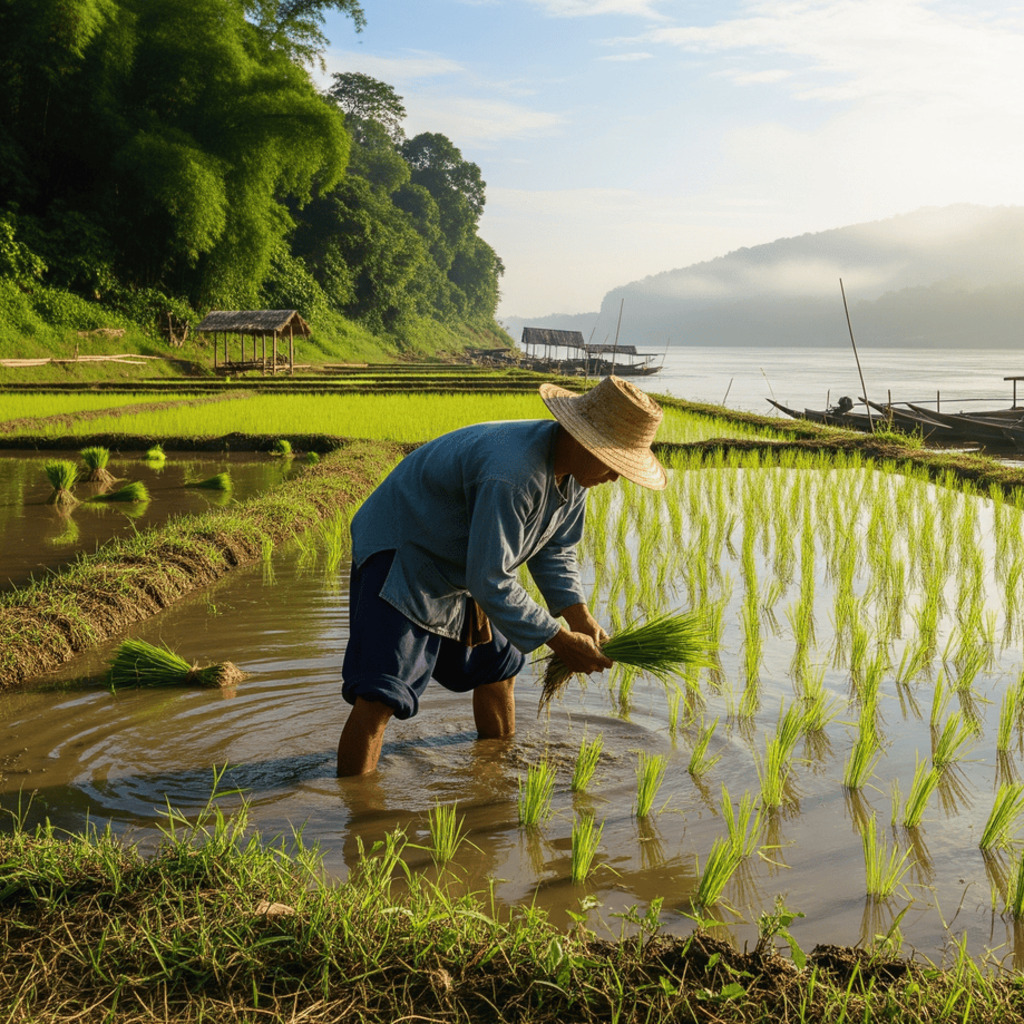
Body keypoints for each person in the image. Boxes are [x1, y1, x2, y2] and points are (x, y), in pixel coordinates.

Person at [336, 375, 668, 776]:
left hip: (464, 560)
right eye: (613, 463)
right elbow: (490, 579)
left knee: (499, 667)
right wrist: (559, 640)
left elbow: (555, 548)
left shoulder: (574, 477)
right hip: (405, 550)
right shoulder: (514, 473)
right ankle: (357, 815)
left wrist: (579, 618)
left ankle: (494, 775)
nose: (615, 477)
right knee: (381, 695)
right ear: (584, 440)